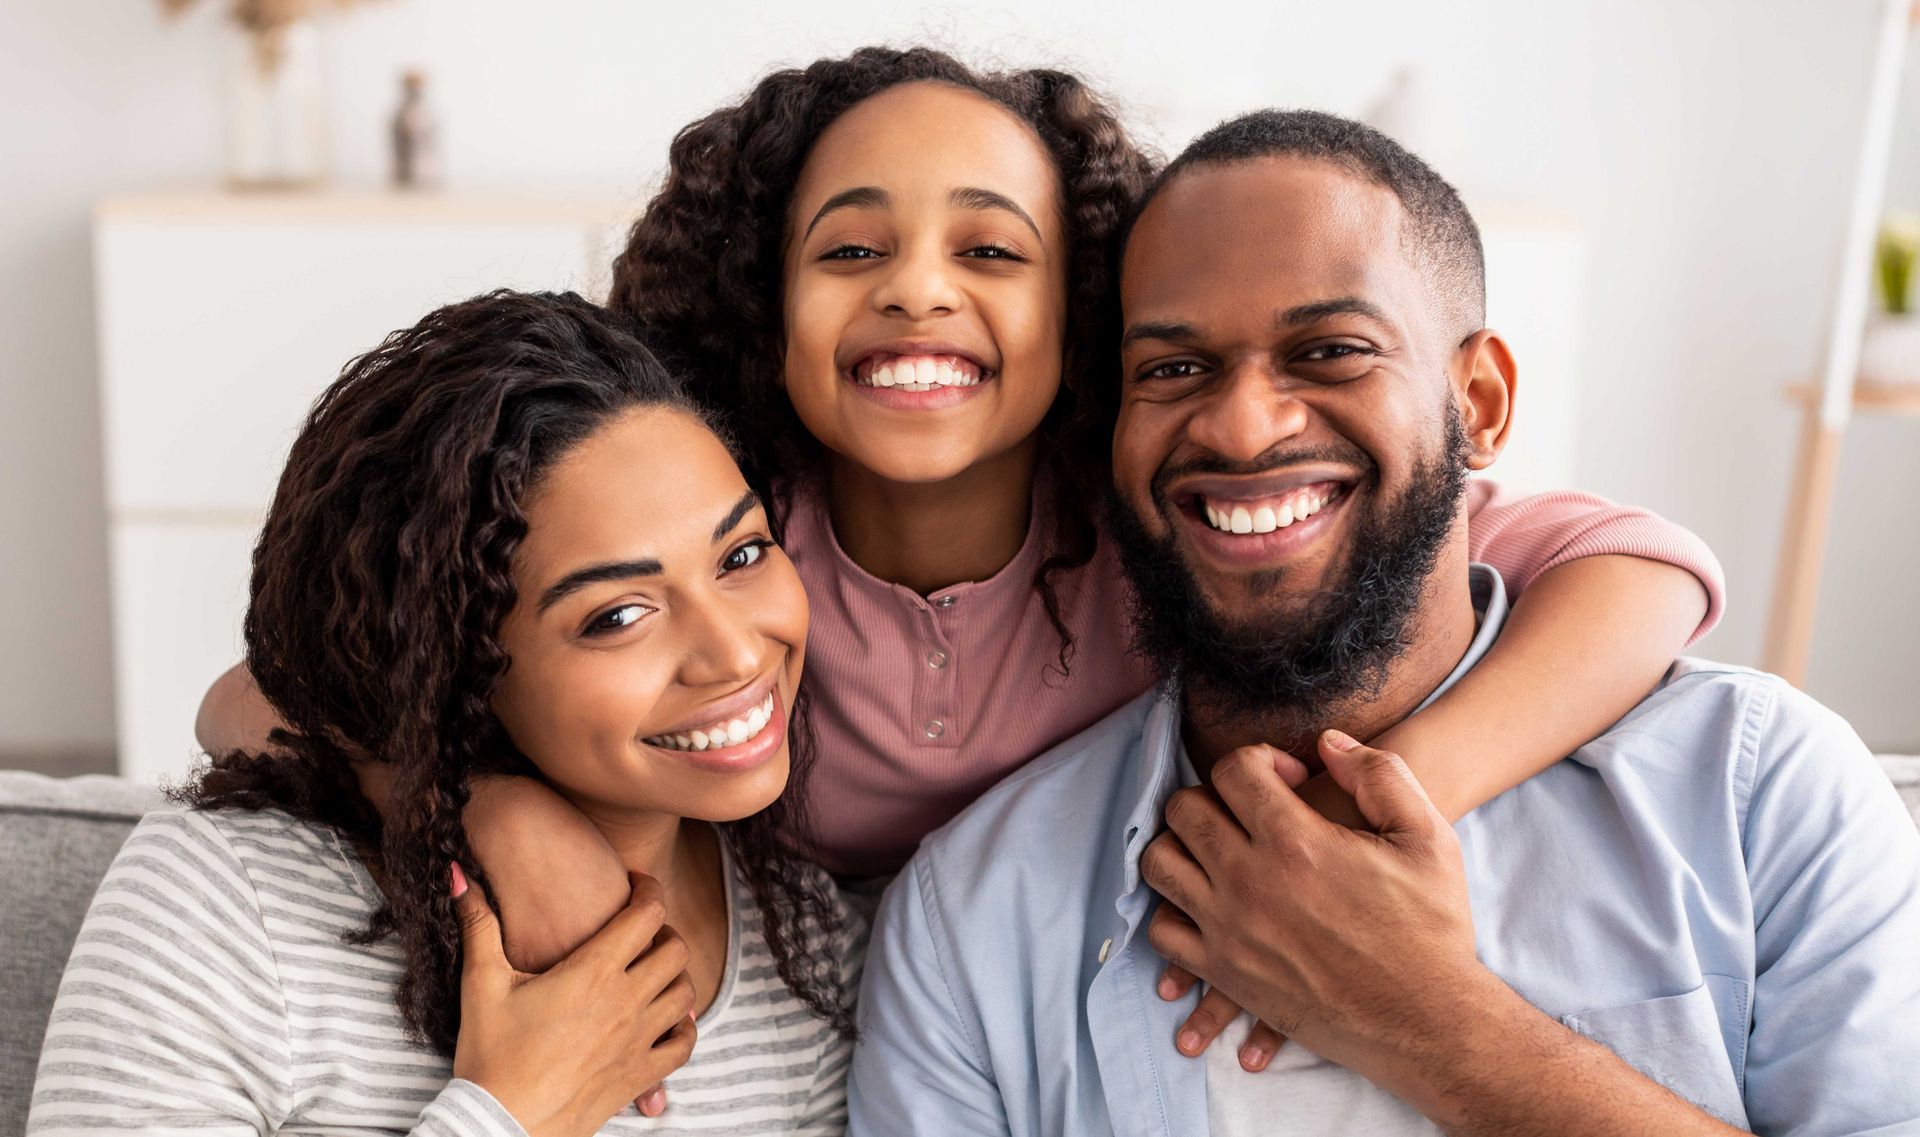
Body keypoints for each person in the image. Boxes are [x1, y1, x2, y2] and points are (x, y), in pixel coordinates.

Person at [200, 47, 1725, 1063]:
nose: (919, 292)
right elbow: (249, 697)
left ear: (1090, 314)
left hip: (1087, 994)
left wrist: (1391, 806)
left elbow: (1640, 568)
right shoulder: (737, 554)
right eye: (851, 250)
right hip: (846, 1021)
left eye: (991, 251)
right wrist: (480, 799)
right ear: (762, 303)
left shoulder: (1170, 528)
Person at [849, 110, 1920, 1135]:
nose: (1241, 423)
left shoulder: (1762, 799)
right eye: (1173, 369)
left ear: (1482, 404)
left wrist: (1433, 1024)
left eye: (1330, 352)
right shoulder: (973, 920)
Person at [30, 292, 858, 1136]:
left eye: (742, 553)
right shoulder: (231, 903)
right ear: (458, 661)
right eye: (617, 615)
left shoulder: (803, 940)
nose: (737, 654)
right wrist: (518, 1110)